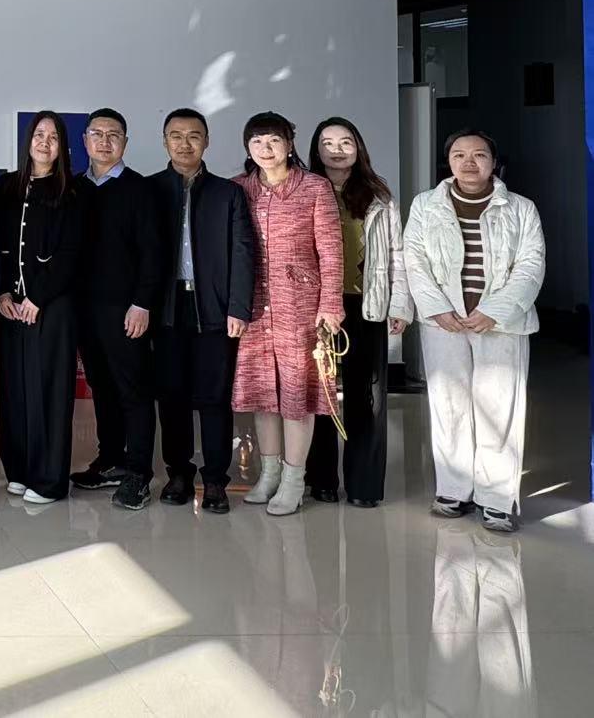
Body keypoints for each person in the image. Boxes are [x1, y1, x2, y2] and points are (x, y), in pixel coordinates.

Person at [403, 129, 544, 533]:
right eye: (459, 155)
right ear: (448, 161)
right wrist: (437, 308)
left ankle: (497, 500)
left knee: (499, 408)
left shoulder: (521, 208)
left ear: (493, 162)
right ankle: (453, 490)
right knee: (449, 406)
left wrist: (494, 311)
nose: (469, 162)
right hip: (443, 321)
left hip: (502, 324)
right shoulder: (425, 205)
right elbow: (414, 260)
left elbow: (531, 264)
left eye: (479, 155)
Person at [231, 112, 343, 517]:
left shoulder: (314, 187)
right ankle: (269, 473)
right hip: (254, 308)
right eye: (257, 141)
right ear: (248, 148)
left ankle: (295, 480)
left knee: (297, 394)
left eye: (274, 140)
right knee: (262, 393)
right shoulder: (238, 188)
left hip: (301, 306)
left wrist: (331, 304)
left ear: (289, 145)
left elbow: (331, 250)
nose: (266, 149)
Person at [147, 108, 255, 514]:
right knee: (171, 394)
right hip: (166, 306)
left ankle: (214, 480)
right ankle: (178, 473)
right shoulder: (149, 190)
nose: (185, 143)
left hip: (214, 307)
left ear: (206, 141)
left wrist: (238, 308)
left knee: (214, 396)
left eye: (194, 136)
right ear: (165, 142)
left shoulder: (229, 193)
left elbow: (243, 254)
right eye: (176, 136)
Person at [305, 117, 412, 509]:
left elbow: (398, 254)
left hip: (367, 305)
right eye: (328, 142)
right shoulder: (305, 189)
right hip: (318, 308)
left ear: (358, 148)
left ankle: (364, 484)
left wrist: (400, 305)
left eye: (345, 141)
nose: (337, 150)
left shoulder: (378, 195)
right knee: (320, 395)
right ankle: (321, 480)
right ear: (316, 150)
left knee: (367, 398)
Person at [69, 108, 164, 511]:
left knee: (133, 390)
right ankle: (110, 460)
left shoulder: (141, 189)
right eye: (98, 134)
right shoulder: (74, 188)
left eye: (114, 135)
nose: (105, 142)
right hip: (83, 311)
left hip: (127, 310)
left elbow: (154, 254)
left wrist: (142, 303)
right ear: (84, 140)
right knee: (102, 387)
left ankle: (139, 473)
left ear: (125, 142)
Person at [0, 111, 84, 504]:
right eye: (39, 134)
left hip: (53, 306)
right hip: (10, 305)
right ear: (27, 140)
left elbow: (72, 252)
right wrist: (0, 293)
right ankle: (19, 469)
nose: (45, 143)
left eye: (54, 137)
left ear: (63, 146)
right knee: (13, 388)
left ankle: (48, 480)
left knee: (49, 390)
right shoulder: (6, 186)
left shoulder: (74, 191)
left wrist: (38, 297)